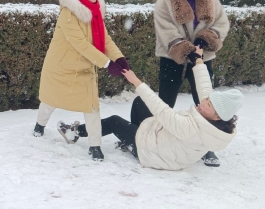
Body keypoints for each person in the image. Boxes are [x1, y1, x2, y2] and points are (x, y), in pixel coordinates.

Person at [34, 0, 131, 161]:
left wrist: (118, 58)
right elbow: (80, 44)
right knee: (51, 100)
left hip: (85, 67)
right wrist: (106, 63)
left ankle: (95, 147)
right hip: (62, 67)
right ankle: (39, 125)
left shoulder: (95, 10)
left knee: (91, 105)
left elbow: (105, 39)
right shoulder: (68, 13)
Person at [100, 45, 243, 171]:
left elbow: (161, 109)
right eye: (208, 99)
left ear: (217, 116)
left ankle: (85, 132)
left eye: (209, 104)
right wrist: (198, 59)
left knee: (114, 122)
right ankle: (130, 139)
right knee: (140, 103)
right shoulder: (214, 119)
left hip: (154, 154)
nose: (204, 102)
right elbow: (204, 86)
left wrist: (135, 81)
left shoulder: (191, 129)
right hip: (167, 146)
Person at [150, 0, 230, 167]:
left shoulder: (211, 0)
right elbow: (165, 29)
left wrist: (206, 39)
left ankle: (207, 145)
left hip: (203, 58)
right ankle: (157, 137)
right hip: (172, 58)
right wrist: (185, 49)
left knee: (205, 101)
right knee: (166, 101)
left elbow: (222, 23)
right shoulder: (165, 1)